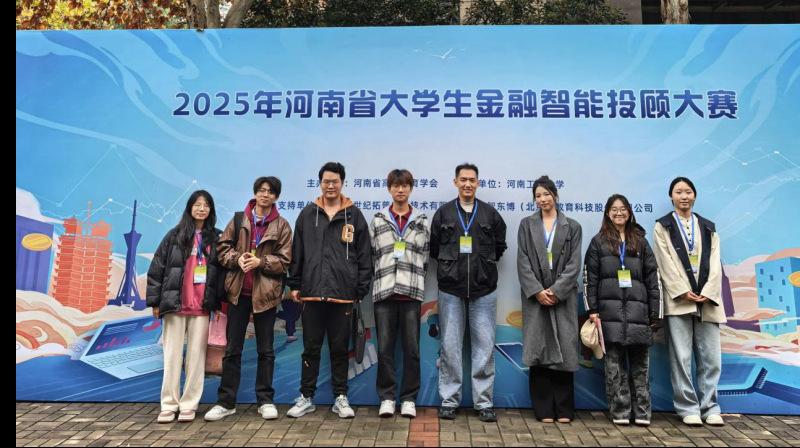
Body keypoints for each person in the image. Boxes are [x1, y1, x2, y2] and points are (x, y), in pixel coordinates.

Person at [286, 162, 373, 419]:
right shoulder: (307, 215)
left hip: (343, 295)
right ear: (320, 183)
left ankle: (340, 397)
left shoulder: (354, 216)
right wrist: (295, 284)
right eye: (326, 181)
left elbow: (364, 256)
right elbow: (297, 253)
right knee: (310, 349)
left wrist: (360, 288)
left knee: (339, 349)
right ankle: (306, 397)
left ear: (342, 183)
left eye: (335, 181)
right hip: (312, 294)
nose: (330, 186)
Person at [203, 177, 293, 422]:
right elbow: (222, 249)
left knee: (266, 350)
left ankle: (265, 401)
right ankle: (226, 402)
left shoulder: (282, 226)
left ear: (276, 197)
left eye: (270, 192)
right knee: (232, 350)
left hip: (266, 295)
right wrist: (238, 259)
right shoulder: (239, 220)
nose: (265, 195)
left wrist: (260, 262)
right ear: (255, 193)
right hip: (238, 294)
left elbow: (285, 261)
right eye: (261, 190)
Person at [430, 163, 507, 422]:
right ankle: (449, 401)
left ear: (478, 183)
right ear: (455, 182)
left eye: (472, 180)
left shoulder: (490, 214)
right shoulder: (443, 214)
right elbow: (434, 248)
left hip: (484, 290)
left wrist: (483, 267)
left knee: (484, 348)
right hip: (450, 289)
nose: (467, 184)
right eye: (463, 179)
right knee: (450, 346)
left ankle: (483, 403)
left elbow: (500, 245)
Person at [653, 177, 725, 427]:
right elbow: (664, 262)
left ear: (694, 195)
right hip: (679, 301)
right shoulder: (662, 226)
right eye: (678, 192)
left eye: (688, 192)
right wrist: (682, 291)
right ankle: (687, 408)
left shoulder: (708, 227)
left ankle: (710, 407)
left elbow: (716, 263)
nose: (684, 196)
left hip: (707, 300)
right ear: (671, 196)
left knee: (711, 357)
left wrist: (708, 291)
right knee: (680, 357)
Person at [584, 194, 661, 427]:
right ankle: (620, 411)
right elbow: (589, 278)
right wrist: (592, 309)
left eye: (623, 208)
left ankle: (643, 412)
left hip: (639, 313)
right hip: (609, 314)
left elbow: (653, 279)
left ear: (629, 212)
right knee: (614, 367)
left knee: (640, 367)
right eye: (614, 209)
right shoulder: (598, 242)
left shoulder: (641, 242)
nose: (619, 212)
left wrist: (655, 313)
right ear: (607, 213)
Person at [147, 190, 223, 423]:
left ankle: (189, 404)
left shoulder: (216, 238)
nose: (201, 209)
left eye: (206, 205)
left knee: (196, 358)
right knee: (171, 357)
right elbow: (157, 268)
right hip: (175, 305)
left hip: (202, 307)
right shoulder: (175, 235)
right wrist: (155, 302)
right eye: (197, 204)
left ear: (211, 210)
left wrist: (217, 301)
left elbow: (221, 274)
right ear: (190, 207)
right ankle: (169, 404)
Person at [516, 175, 582, 424]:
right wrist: (537, 291)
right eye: (538, 195)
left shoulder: (572, 226)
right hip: (536, 298)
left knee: (565, 348)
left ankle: (564, 409)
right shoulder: (526, 225)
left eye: (546, 194)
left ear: (555, 195)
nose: (543, 199)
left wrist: (556, 291)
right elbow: (522, 260)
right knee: (539, 349)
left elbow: (575, 263)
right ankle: (543, 409)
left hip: (561, 297)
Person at [370, 169, 430, 419]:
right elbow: (372, 255)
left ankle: (408, 399)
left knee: (411, 350)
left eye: (405, 185)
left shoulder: (422, 220)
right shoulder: (378, 220)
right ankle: (386, 397)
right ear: (389, 189)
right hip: (384, 293)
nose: (400, 190)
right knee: (384, 349)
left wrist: (411, 278)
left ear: (411, 189)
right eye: (396, 186)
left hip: (411, 294)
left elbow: (425, 258)